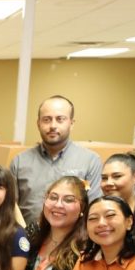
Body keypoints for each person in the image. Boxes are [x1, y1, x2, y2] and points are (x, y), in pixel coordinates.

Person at [10, 95, 103, 223]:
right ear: (38, 123)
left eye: (60, 119)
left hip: (74, 235)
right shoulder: (20, 162)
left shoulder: (90, 161)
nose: (53, 125)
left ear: (71, 123)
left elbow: (94, 210)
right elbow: (10, 208)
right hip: (28, 234)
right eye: (46, 120)